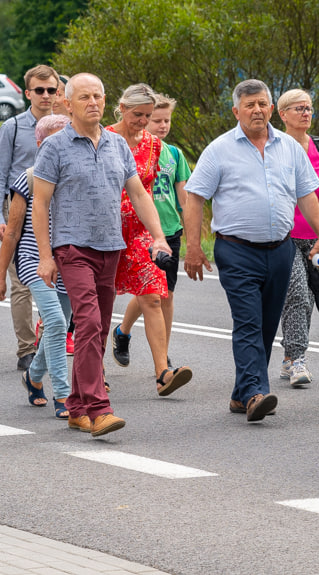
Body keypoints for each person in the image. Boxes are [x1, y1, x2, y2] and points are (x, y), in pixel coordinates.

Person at [32, 73, 172, 437]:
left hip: (111, 247)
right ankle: (98, 408)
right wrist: (46, 257)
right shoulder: (54, 147)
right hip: (72, 247)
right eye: (84, 97)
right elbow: (41, 204)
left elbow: (139, 194)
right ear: (67, 103)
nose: (93, 102)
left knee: (95, 330)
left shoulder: (116, 145)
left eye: (98, 96)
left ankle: (77, 407)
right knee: (90, 322)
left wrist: (158, 236)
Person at [184, 79, 319, 423]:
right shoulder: (219, 149)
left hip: (280, 249)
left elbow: (307, 194)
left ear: (271, 108)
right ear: (236, 111)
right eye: (249, 105)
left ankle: (240, 394)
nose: (257, 110)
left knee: (266, 325)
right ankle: (255, 393)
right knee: (248, 322)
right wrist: (192, 247)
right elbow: (194, 197)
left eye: (262, 103)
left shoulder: (289, 148)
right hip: (236, 251)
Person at [107, 84, 193, 396]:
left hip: (139, 233)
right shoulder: (103, 138)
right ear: (121, 107)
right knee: (96, 304)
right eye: (137, 115)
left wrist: (159, 236)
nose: (143, 121)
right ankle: (91, 372)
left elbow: (143, 191)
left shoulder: (154, 146)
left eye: (148, 115)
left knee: (154, 296)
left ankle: (163, 373)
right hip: (103, 232)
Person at [0, 114, 72, 418]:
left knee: (59, 325)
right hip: (33, 259)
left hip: (69, 261)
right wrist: (1, 274)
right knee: (55, 322)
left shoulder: (73, 177)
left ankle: (32, 378)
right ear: (41, 143)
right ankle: (65, 396)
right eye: (56, 138)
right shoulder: (28, 178)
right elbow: (13, 231)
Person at [274, 89, 319, 388]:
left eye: (309, 108)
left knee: (308, 298)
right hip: (284, 234)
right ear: (283, 114)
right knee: (297, 292)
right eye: (299, 108)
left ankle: (288, 358)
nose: (306, 113)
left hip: (315, 236)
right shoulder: (275, 146)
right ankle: (298, 360)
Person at [0, 64, 60, 371]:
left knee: (54, 280)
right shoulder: (13, 127)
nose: (46, 95)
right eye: (40, 90)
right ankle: (26, 348)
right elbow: (1, 174)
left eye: (51, 89)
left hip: (56, 211)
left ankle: (46, 340)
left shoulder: (64, 124)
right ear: (28, 93)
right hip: (19, 206)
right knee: (22, 282)